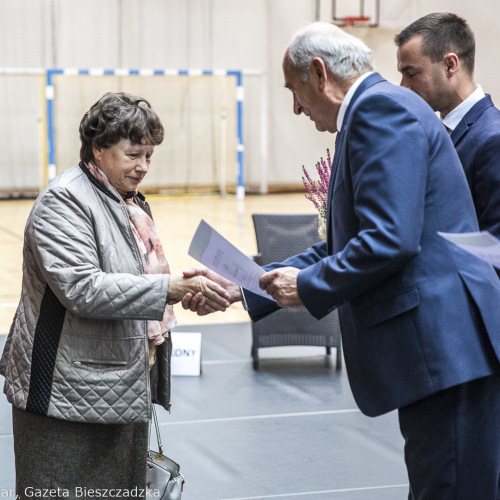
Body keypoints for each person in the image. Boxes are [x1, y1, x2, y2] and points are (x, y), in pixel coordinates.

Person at [183, 23, 500, 499]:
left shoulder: (379, 110)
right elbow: (346, 241)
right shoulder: (379, 109)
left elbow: (389, 241)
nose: (295, 107)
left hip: (443, 351)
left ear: (319, 72)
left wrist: (306, 287)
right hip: (444, 353)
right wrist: (243, 283)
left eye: (294, 91)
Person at [0, 92, 231, 498]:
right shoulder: (64, 200)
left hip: (114, 381)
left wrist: (181, 286)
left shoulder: (125, 201)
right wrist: (170, 288)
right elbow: (82, 288)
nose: (143, 167)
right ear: (98, 148)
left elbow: (135, 277)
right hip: (65, 389)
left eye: (149, 156)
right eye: (133, 155)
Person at [395, 12, 500, 239]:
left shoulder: (493, 138)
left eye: (411, 73)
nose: (403, 87)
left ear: (450, 65)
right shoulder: (432, 132)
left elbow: (495, 247)